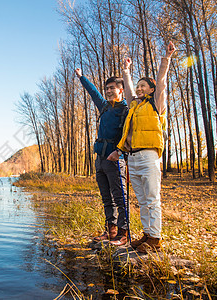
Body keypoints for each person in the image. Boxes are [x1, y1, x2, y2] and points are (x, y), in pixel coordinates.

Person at [108, 41, 176, 252]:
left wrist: (167, 59)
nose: (138, 88)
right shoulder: (134, 105)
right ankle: (147, 235)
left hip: (149, 155)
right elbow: (128, 90)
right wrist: (126, 71)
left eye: (142, 86)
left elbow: (162, 82)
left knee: (152, 197)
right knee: (142, 200)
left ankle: (155, 238)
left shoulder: (156, 104)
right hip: (133, 157)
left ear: (152, 90)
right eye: (138, 86)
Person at [75, 68, 129, 246]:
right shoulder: (104, 106)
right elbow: (93, 92)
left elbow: (130, 135)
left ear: (121, 90)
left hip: (115, 159)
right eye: (106, 88)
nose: (108, 91)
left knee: (120, 198)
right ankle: (111, 230)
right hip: (100, 159)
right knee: (107, 198)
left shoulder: (126, 110)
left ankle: (123, 233)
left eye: (112, 88)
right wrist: (81, 77)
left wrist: (119, 152)